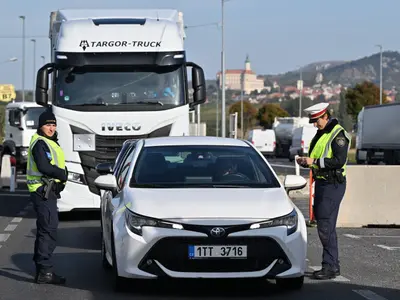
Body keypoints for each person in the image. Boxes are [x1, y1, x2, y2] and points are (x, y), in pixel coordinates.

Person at [296, 102, 351, 280]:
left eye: (317, 120)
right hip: (322, 183)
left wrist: (313, 161)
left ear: (325, 116)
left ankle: (330, 266)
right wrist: (306, 161)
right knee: (325, 225)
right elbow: (318, 156)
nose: (315, 124)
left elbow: (338, 160)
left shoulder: (338, 134)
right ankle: (332, 265)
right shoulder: (321, 133)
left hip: (332, 184)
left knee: (325, 226)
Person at [26, 109, 68, 284]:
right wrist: (62, 174)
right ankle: (45, 271)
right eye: (47, 125)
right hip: (42, 191)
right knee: (48, 231)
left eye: (53, 125)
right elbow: (44, 166)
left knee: (45, 230)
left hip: (47, 191)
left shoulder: (48, 141)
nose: (51, 128)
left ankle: (42, 269)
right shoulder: (40, 143)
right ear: (40, 126)